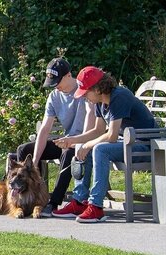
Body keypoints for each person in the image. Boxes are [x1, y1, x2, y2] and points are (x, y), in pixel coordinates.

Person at [52, 66, 157, 223]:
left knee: (100, 149)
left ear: (98, 88)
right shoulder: (100, 103)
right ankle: (80, 201)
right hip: (127, 143)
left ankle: (96, 207)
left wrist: (88, 145)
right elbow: (97, 131)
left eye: (86, 92)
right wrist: (72, 141)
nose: (85, 97)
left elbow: (111, 136)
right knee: (85, 147)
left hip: (145, 145)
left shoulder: (119, 96)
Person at [9, 57, 95, 216]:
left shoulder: (84, 91)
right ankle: (33, 197)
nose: (56, 87)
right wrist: (33, 163)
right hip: (66, 140)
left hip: (84, 141)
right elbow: (45, 129)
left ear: (69, 75)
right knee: (24, 149)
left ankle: (53, 202)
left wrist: (77, 142)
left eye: (58, 82)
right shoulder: (55, 96)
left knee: (69, 153)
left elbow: (91, 123)